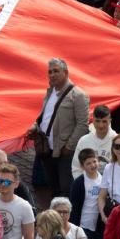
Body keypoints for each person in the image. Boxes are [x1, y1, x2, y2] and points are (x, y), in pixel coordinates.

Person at [29, 58, 89, 197]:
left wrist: (69, 147)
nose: (52, 75)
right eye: (50, 72)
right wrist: (35, 128)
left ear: (66, 72)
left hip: (64, 152)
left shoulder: (78, 95)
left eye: (56, 71)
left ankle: (64, 217)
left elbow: (82, 124)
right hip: (47, 148)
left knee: (65, 188)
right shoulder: (50, 92)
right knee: (53, 186)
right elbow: (46, 117)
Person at [70, 149, 104, 239]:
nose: (93, 165)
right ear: (82, 166)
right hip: (84, 225)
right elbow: (74, 207)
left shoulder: (103, 179)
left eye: (94, 161)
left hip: (99, 225)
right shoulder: (79, 183)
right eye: (88, 163)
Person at [72, 105, 118, 179]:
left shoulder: (118, 141)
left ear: (110, 121)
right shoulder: (84, 141)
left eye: (104, 121)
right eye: (97, 121)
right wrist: (86, 185)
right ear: (93, 120)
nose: (101, 125)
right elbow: (76, 168)